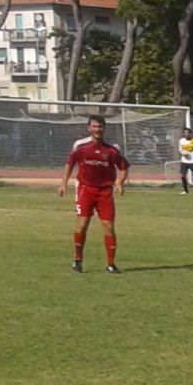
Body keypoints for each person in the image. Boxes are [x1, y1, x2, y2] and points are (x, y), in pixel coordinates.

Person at [59, 114, 128, 273]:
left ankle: (111, 264)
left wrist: (119, 182)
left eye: (101, 127)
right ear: (89, 128)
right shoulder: (81, 148)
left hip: (105, 192)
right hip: (86, 190)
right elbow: (69, 164)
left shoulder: (111, 150)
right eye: (95, 126)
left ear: (104, 129)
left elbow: (123, 167)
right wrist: (63, 183)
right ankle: (77, 260)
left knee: (108, 227)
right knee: (82, 226)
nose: (98, 129)